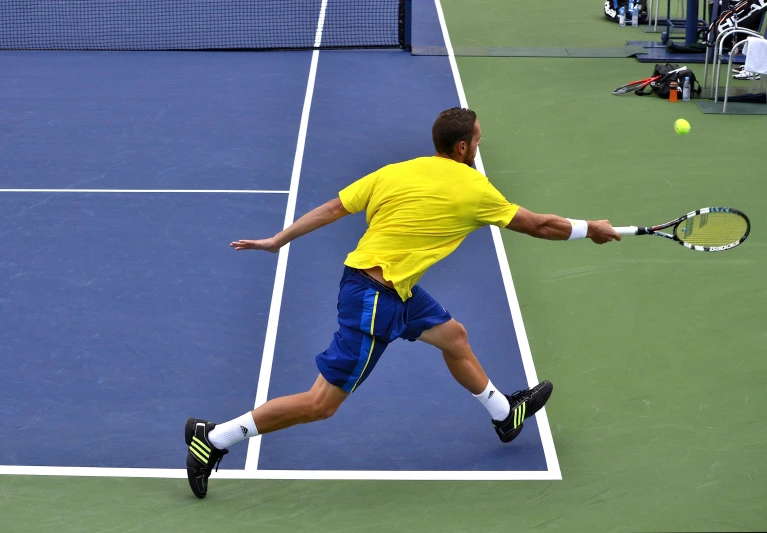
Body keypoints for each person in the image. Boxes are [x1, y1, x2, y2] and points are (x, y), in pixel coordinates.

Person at [184, 107, 620, 498]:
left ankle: (505, 414)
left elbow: (334, 209)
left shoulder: (396, 171)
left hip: (391, 287)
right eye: (479, 142)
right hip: (376, 300)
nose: (480, 148)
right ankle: (216, 438)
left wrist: (280, 239)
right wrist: (590, 228)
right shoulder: (475, 187)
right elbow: (537, 225)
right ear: (463, 147)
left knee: (454, 337)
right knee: (321, 404)